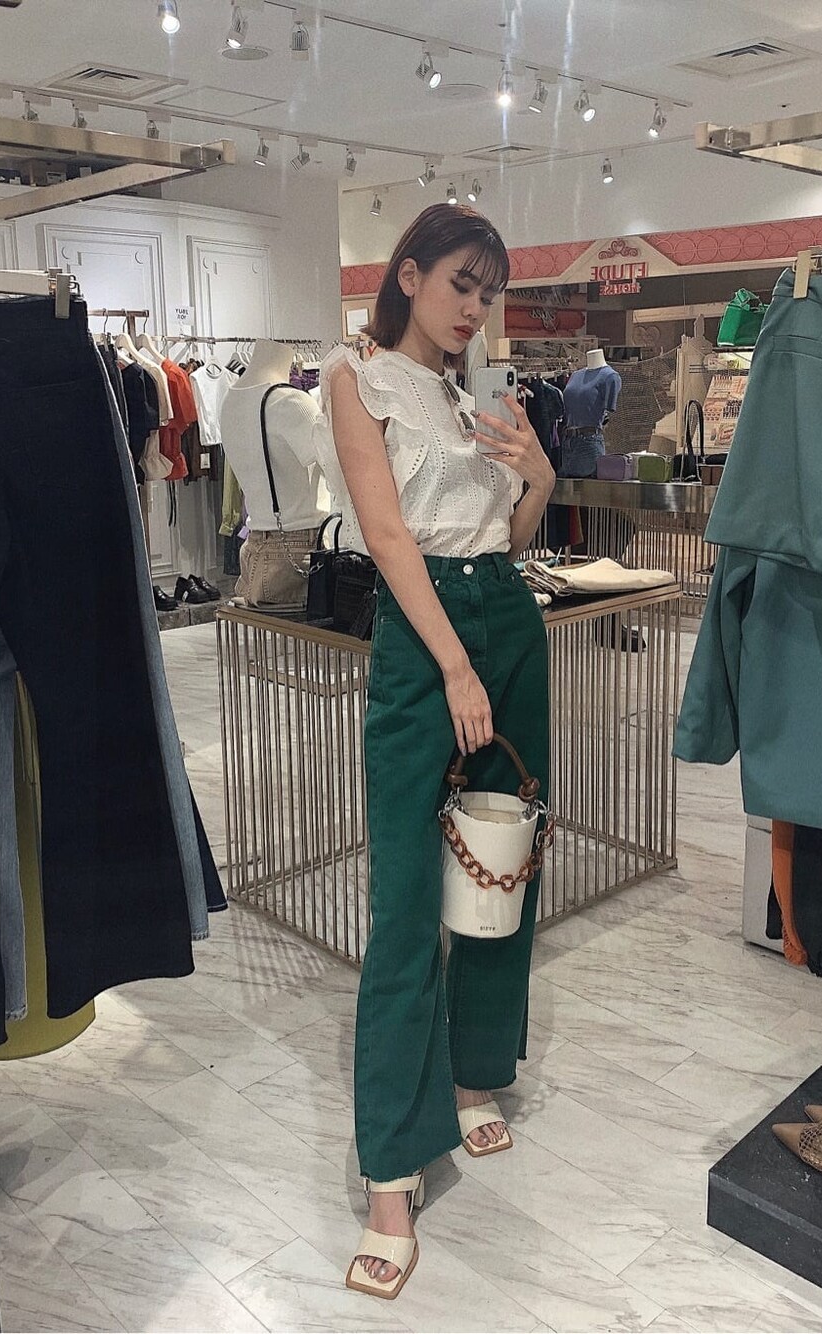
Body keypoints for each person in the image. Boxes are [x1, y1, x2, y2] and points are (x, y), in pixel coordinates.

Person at [317, 203, 555, 1300]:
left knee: (503, 863)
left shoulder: (471, 395)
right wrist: (454, 664)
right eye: (461, 282)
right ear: (407, 275)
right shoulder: (356, 377)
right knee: (408, 895)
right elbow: (387, 534)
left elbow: (505, 536)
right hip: (426, 641)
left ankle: (472, 1074)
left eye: (487, 292)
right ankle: (389, 1169)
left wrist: (537, 477)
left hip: (505, 613)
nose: (474, 308)